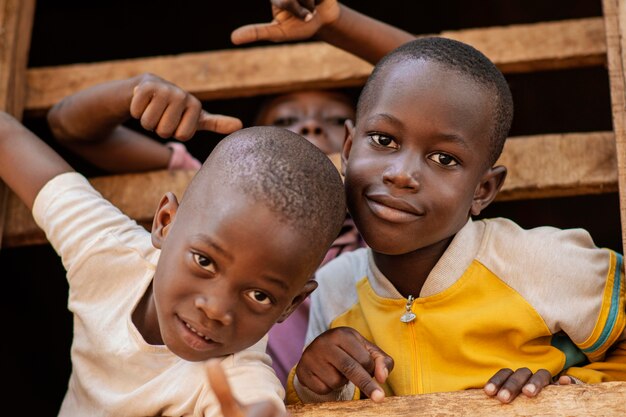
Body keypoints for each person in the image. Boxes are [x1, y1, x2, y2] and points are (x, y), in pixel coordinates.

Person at [231, 0, 626, 405]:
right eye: (384, 140)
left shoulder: (539, 262)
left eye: (444, 159)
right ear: (348, 150)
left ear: (483, 191)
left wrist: (579, 389)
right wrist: (311, 383)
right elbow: (325, 402)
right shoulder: (334, 288)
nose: (401, 174)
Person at [0, 107, 346, 415]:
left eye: (259, 296)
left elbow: (253, 405)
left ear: (292, 305)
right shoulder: (108, 251)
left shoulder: (237, 375)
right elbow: (9, 138)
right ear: (165, 222)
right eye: (204, 262)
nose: (215, 309)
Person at [48, 72, 365, 388]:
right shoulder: (217, 192)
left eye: (336, 118)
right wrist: (133, 92)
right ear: (166, 220)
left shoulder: (371, 228)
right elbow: (71, 131)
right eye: (285, 119)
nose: (311, 126)